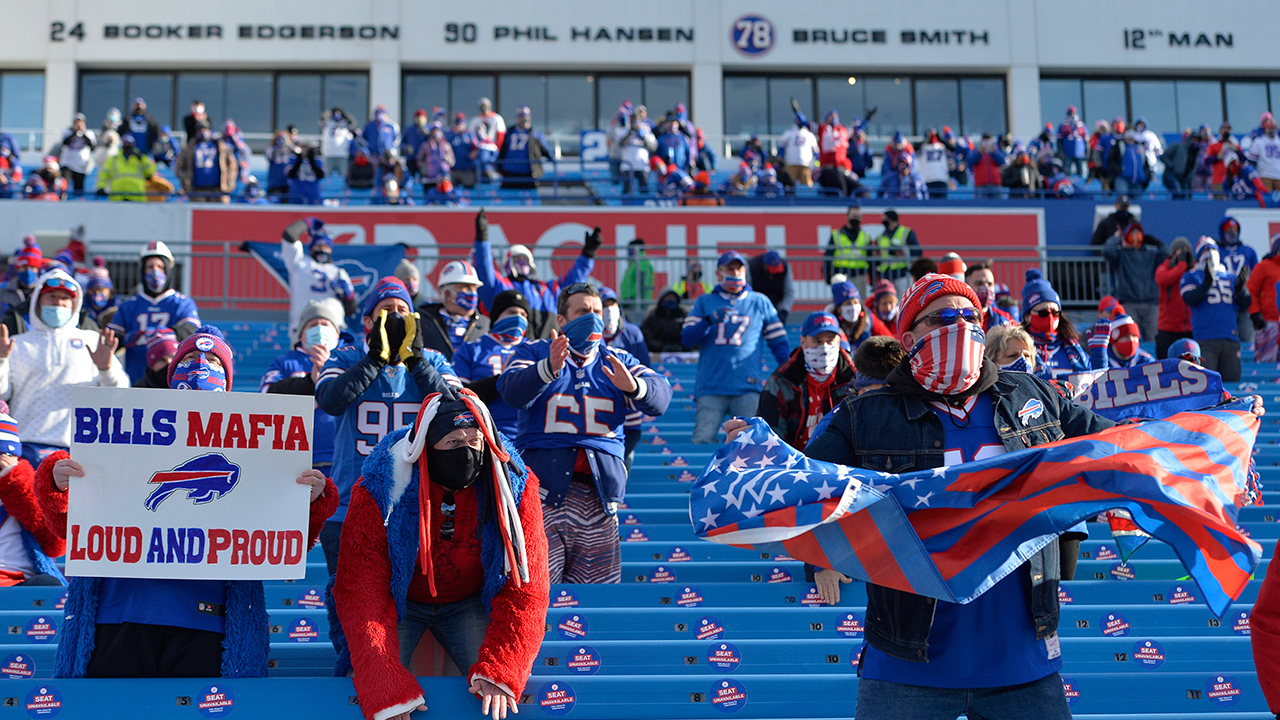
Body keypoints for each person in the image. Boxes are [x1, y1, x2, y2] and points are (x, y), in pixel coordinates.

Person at [782, 273, 1118, 720]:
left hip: (1023, 661)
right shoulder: (866, 414)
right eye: (942, 317)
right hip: (906, 662)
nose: (960, 325)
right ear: (907, 337)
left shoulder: (1032, 395)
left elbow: (1122, 446)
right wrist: (754, 453)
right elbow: (802, 484)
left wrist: (1209, 424)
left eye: (970, 315)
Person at [44, 325, 338, 679]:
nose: (201, 365)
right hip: (119, 613)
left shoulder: (260, 452)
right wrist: (58, 485)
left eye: (213, 359)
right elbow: (70, 530)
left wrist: (309, 501)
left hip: (208, 621)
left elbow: (283, 544)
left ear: (228, 382)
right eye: (190, 359)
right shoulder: (120, 435)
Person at [330, 390, 548, 720]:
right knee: (371, 699)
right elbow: (360, 590)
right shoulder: (382, 486)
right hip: (398, 602)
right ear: (427, 450)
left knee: (500, 699)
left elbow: (528, 586)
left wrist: (503, 668)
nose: (467, 451)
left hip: (468, 601)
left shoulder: (513, 484)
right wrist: (383, 684)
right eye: (453, 442)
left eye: (475, 441)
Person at [499, 283, 672, 583]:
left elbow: (661, 397)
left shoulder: (618, 360)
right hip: (542, 496)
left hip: (599, 498)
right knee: (539, 595)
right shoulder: (535, 351)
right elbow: (510, 391)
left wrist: (633, 387)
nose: (593, 318)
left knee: (597, 599)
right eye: (583, 311)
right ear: (562, 320)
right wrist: (549, 368)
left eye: (596, 312)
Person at [313, 277, 461, 574]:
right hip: (352, 506)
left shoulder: (433, 360)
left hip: (416, 506)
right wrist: (374, 359)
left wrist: (416, 362)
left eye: (402, 309)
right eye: (387, 309)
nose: (396, 315)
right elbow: (329, 400)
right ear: (368, 321)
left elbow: (457, 410)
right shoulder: (344, 356)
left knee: (409, 612)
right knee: (351, 606)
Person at [0, 269, 128, 468]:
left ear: (74, 305)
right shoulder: (16, 343)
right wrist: (1, 360)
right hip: (26, 446)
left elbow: (120, 393)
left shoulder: (92, 340)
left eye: (65, 298)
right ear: (38, 302)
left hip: (79, 449)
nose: (58, 303)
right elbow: (2, 393)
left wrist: (107, 368)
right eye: (51, 297)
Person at [683, 252, 790, 444]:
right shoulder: (705, 301)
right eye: (730, 268)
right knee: (702, 441)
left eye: (738, 268)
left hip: (747, 386)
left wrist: (790, 372)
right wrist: (708, 321)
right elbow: (687, 338)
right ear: (719, 273)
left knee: (751, 445)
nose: (735, 272)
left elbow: (779, 342)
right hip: (712, 386)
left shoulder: (759, 301)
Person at [472, 210, 597, 339]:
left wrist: (588, 254)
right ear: (508, 262)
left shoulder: (546, 289)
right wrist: (482, 238)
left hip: (548, 350)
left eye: (525, 259)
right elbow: (483, 268)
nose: (521, 263)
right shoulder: (500, 286)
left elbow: (574, 281)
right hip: (513, 350)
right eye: (517, 259)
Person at [260, 301, 348, 476]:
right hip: (297, 459)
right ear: (301, 335)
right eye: (313, 325)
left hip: (342, 457)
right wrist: (310, 382)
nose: (320, 329)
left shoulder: (349, 359)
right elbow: (266, 395)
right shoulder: (285, 362)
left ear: (337, 334)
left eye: (325, 324)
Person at [108, 241, 202, 384]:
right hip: (135, 378)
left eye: (160, 266)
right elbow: (111, 339)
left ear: (168, 270)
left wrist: (161, 335)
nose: (155, 271)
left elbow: (191, 331)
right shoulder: (128, 306)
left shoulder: (182, 303)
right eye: (150, 267)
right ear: (142, 270)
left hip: (172, 380)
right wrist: (123, 338)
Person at [758, 311, 855, 450]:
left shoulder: (854, 382)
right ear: (803, 342)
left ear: (839, 342)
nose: (825, 347)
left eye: (830, 340)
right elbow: (770, 438)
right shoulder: (781, 383)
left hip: (839, 465)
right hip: (793, 464)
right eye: (817, 341)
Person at [451, 290, 530, 440]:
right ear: (497, 316)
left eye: (524, 314)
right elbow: (459, 398)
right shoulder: (470, 349)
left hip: (527, 436)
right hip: (484, 434)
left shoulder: (534, 349)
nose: (519, 318)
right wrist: (503, 380)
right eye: (512, 312)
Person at [0, 408, 65, 587]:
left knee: (48, 585)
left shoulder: (26, 487)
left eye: (7, 455)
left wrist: (14, 479)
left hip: (21, 581)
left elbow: (55, 545)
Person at [1180, 237, 1250, 382]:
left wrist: (1241, 290)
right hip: (1206, 339)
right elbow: (1189, 298)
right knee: (1207, 385)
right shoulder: (1192, 275)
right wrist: (1207, 283)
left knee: (1232, 383)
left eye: (1212, 249)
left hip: (1230, 338)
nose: (1210, 253)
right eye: (1206, 249)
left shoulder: (1229, 277)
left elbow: (1245, 304)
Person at [280, 218, 356, 337]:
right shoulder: (299, 263)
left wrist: (349, 296)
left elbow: (351, 311)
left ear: (331, 248)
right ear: (311, 248)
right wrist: (307, 223)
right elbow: (290, 235)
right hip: (303, 326)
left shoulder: (339, 273)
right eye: (318, 245)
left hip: (334, 326)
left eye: (325, 245)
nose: (321, 249)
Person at [1021, 268, 1090, 380]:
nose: (1050, 317)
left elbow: (1093, 384)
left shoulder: (1074, 347)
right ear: (1027, 316)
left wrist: (1099, 356)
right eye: (1043, 313)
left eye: (1055, 312)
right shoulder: (1018, 348)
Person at [1101, 223, 1166, 341]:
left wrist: (1155, 242)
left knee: (1153, 340)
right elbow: (1107, 251)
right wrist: (1117, 238)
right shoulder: (1122, 255)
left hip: (1150, 304)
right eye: (1132, 233)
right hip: (1129, 303)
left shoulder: (1151, 255)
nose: (1136, 236)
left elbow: (1165, 254)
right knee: (1130, 338)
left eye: (1138, 232)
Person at [418, 260, 489, 359]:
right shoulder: (422, 320)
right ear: (447, 294)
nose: (473, 294)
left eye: (475, 288)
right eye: (466, 287)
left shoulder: (485, 324)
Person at [1214, 216, 1259, 345]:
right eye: (1229, 230)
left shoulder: (1248, 251)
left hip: (1245, 301)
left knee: (1247, 340)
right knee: (1227, 341)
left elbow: (1256, 278)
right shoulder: (1217, 251)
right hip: (1225, 302)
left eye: (1235, 230)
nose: (1233, 233)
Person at [174, 126, 238, 203]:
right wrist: (185, 180)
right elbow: (179, 165)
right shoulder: (190, 147)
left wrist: (229, 182)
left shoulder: (221, 146)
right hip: (197, 190)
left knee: (220, 213)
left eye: (206, 130)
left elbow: (232, 165)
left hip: (218, 190)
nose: (203, 132)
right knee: (199, 213)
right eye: (200, 130)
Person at [1155, 237, 1195, 359]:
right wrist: (1182, 264)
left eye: (1186, 249)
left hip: (1190, 328)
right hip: (1168, 329)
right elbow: (1164, 279)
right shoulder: (1165, 267)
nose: (1184, 252)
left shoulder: (1194, 268)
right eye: (1180, 249)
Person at [831, 281, 892, 353]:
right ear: (838, 309)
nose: (853, 307)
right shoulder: (830, 324)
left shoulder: (869, 319)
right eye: (848, 303)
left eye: (856, 302)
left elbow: (890, 341)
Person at [496, 106, 547, 191]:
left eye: (525, 117)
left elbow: (546, 150)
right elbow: (502, 150)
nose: (523, 120)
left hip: (528, 174)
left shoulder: (535, 134)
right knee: (509, 200)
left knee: (530, 199)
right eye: (521, 117)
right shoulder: (510, 133)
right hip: (510, 174)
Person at [1248, 233, 1280, 363]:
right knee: (1266, 364)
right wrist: (1255, 313)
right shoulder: (1264, 266)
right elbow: (1250, 290)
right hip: (1268, 323)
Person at [825, 205, 874, 287]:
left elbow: (870, 259)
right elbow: (828, 256)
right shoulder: (836, 234)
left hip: (859, 275)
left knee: (860, 299)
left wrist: (873, 279)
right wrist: (828, 276)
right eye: (854, 216)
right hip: (841, 274)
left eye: (858, 217)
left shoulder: (866, 236)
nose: (856, 219)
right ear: (847, 216)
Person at [95, 135, 156, 201]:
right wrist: (101, 187)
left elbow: (150, 172)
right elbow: (104, 174)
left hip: (137, 196)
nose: (128, 146)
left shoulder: (142, 159)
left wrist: (141, 159)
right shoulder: (113, 159)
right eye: (126, 143)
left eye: (130, 144)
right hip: (118, 196)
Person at [599, 287, 649, 365]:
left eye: (612, 304)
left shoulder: (633, 333)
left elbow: (644, 365)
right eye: (604, 305)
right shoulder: (590, 335)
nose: (609, 309)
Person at [877, 210, 922, 296]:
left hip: (902, 273)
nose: (883, 222)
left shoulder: (906, 232)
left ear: (891, 219)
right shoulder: (881, 236)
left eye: (885, 219)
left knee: (904, 298)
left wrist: (904, 254)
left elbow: (917, 252)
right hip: (886, 274)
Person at [1088, 314, 1156, 369]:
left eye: (1134, 336)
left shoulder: (1146, 361)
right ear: (1114, 341)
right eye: (1126, 337)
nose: (1131, 340)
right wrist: (1098, 361)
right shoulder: (1103, 360)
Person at [746, 250, 795, 323]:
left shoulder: (785, 268)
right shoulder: (752, 267)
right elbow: (747, 290)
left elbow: (789, 291)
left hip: (775, 302)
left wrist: (784, 310)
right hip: (756, 302)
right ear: (764, 266)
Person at [55, 113, 96, 195]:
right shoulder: (67, 132)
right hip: (67, 164)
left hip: (81, 166)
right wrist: (74, 132)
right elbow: (64, 143)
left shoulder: (89, 133)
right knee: (64, 185)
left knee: (78, 189)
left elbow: (92, 147)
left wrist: (83, 133)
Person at [617, 111, 657, 195]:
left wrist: (642, 136)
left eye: (636, 120)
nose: (634, 122)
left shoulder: (646, 131)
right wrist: (629, 133)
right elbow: (620, 144)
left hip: (642, 165)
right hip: (627, 165)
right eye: (632, 120)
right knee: (627, 189)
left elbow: (653, 147)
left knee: (643, 188)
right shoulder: (624, 130)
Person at [468, 98, 505, 184]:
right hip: (480, 149)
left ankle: (492, 177)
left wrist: (499, 149)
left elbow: (501, 136)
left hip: (493, 148)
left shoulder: (496, 118)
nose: (484, 108)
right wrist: (474, 149)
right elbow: (471, 137)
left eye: (486, 106)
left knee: (489, 164)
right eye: (482, 106)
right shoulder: (475, 120)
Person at [964, 263, 1010, 331]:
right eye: (979, 284)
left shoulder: (1004, 319)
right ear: (967, 286)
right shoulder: (958, 318)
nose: (986, 288)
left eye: (990, 284)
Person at [642, 288, 687, 354]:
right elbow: (647, 337)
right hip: (657, 353)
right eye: (668, 298)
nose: (671, 300)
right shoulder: (652, 318)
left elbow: (689, 335)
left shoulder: (683, 316)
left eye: (673, 298)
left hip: (683, 353)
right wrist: (662, 347)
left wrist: (679, 346)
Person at [779, 112, 818, 186]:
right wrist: (782, 161)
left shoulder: (809, 135)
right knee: (790, 184)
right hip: (791, 163)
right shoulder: (789, 133)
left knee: (807, 186)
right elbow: (781, 148)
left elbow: (816, 151)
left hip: (806, 164)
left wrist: (815, 163)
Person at [416, 122, 455, 195]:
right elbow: (419, 159)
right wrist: (423, 167)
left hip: (443, 178)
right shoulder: (425, 145)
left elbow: (452, 161)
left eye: (438, 131)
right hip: (430, 178)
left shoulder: (446, 145)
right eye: (434, 131)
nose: (436, 133)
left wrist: (448, 159)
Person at [619, 238, 655, 315]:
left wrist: (639, 302)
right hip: (631, 301)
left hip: (636, 303)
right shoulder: (635, 263)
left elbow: (641, 283)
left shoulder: (641, 262)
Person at [1205, 122, 1241, 198]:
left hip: (1233, 179)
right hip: (1218, 180)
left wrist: (1236, 150)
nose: (1226, 131)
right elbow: (1206, 160)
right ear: (1220, 130)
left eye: (1228, 129)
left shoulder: (1234, 144)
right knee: (1219, 203)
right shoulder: (1214, 145)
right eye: (1224, 129)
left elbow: (1244, 159)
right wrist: (1217, 157)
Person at [1247, 112, 1280, 193]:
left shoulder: (1278, 141)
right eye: (1269, 128)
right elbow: (1252, 162)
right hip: (1265, 175)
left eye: (1273, 128)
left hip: (1278, 175)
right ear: (1264, 128)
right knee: (1267, 200)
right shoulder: (1258, 141)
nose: (1272, 130)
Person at [321, 107, 356, 178]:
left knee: (343, 175)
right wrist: (329, 113)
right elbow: (321, 119)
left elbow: (353, 123)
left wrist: (345, 115)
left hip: (342, 153)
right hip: (329, 153)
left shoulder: (345, 123)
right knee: (327, 175)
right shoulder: (328, 122)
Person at [918, 129, 952, 198]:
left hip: (941, 179)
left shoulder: (941, 146)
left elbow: (953, 148)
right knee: (929, 206)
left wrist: (940, 138)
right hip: (927, 180)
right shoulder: (923, 147)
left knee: (942, 205)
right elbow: (915, 148)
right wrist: (927, 139)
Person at [83, 262, 117, 328]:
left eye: (101, 289)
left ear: (110, 292)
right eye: (93, 290)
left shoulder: (118, 312)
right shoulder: (81, 312)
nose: (97, 293)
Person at [1058, 106, 1088, 177]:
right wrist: (1061, 151)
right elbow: (1059, 140)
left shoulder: (1081, 124)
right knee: (1066, 170)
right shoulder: (1063, 124)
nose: (1072, 115)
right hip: (1068, 152)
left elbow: (1086, 139)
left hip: (1079, 152)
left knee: (1081, 171)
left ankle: (1080, 185)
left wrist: (1086, 151)